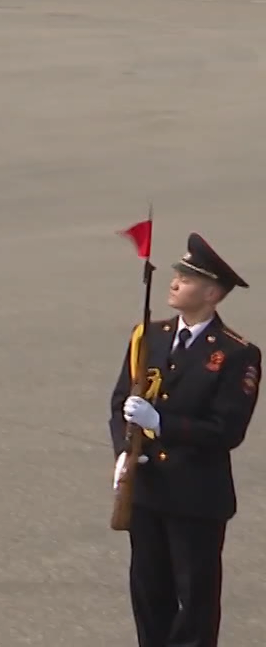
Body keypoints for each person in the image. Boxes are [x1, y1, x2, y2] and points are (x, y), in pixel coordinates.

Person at [112, 233, 260, 647]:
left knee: (194, 600)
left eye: (188, 278)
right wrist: (124, 452)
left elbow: (226, 430)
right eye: (178, 274)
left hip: (195, 495)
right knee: (148, 593)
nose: (175, 282)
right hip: (147, 489)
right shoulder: (150, 336)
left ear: (212, 293)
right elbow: (120, 402)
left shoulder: (236, 354)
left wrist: (161, 423)